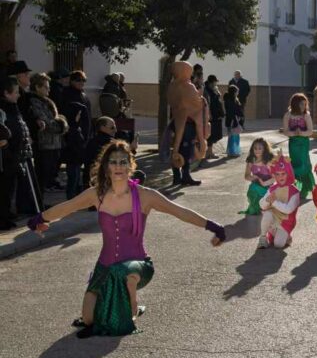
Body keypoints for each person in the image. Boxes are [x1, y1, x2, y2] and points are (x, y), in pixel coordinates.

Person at [28, 139, 225, 337]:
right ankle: (116, 304)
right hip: (104, 266)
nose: (118, 166)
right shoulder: (97, 195)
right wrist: (39, 219)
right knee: (88, 318)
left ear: (130, 166)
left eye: (123, 162)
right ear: (106, 167)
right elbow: (67, 207)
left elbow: (180, 212)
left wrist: (213, 227)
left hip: (137, 266)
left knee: (123, 273)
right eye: (113, 162)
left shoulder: (145, 195)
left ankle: (132, 308)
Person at [1, 77, 39, 224]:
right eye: (15, 92)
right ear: (6, 93)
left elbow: (19, 125)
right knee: (4, 188)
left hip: (17, 153)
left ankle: (7, 213)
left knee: (10, 188)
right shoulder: (2, 110)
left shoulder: (13, 107)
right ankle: (3, 217)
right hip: (6, 154)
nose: (18, 95)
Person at [167, 62, 208, 187]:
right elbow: (196, 102)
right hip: (188, 123)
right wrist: (201, 98)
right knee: (186, 149)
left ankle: (177, 177)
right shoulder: (187, 86)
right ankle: (185, 175)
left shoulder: (172, 86)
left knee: (175, 147)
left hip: (176, 121)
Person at [26, 73, 66, 194]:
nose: (49, 89)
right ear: (37, 87)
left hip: (53, 142)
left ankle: (41, 199)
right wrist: (61, 126)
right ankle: (39, 201)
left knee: (48, 174)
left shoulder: (46, 101)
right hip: (45, 143)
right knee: (41, 175)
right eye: (46, 87)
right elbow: (46, 122)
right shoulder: (34, 102)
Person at [61, 70, 94, 197]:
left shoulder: (83, 95)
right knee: (73, 167)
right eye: (78, 80)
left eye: (83, 80)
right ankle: (71, 195)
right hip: (73, 136)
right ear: (72, 81)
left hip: (84, 135)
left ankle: (77, 193)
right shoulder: (67, 94)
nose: (81, 83)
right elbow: (67, 114)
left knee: (79, 167)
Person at [258, 153, 300, 249]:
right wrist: (267, 201)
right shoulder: (272, 188)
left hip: (286, 221)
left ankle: (284, 235)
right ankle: (263, 237)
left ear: (288, 173)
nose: (280, 177)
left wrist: (273, 202)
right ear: (274, 175)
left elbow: (288, 210)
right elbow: (262, 205)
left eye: (283, 173)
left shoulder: (294, 191)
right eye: (277, 174)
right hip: (273, 216)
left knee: (278, 244)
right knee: (267, 213)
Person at [282, 94, 315, 197]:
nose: (303, 106)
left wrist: (301, 133)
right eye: (301, 104)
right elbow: (285, 131)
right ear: (295, 104)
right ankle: (296, 188)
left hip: (303, 142)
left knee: (303, 164)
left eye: (305, 104)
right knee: (294, 164)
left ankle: (304, 189)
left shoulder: (306, 115)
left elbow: (310, 131)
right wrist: (293, 133)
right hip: (293, 143)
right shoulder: (288, 115)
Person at [239, 137, 274, 216]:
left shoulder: (268, 161)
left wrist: (265, 183)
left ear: (264, 149)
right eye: (255, 148)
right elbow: (246, 176)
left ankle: (265, 206)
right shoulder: (251, 161)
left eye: (260, 148)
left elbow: (275, 178)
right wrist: (253, 177)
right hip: (255, 184)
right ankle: (257, 207)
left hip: (267, 186)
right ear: (252, 149)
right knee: (252, 189)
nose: (257, 150)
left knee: (261, 196)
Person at [204, 75, 224, 158]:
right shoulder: (207, 90)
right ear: (211, 82)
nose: (216, 83)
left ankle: (209, 152)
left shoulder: (213, 89)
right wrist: (209, 114)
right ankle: (209, 152)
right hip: (212, 115)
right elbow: (208, 103)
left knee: (214, 134)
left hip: (216, 115)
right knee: (211, 134)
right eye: (215, 81)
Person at [223, 84, 244, 157]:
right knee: (233, 136)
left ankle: (234, 151)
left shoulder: (233, 99)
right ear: (233, 92)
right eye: (237, 91)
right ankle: (232, 151)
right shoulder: (230, 100)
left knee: (235, 136)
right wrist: (236, 118)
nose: (237, 93)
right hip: (232, 120)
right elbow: (232, 111)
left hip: (233, 119)